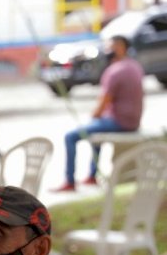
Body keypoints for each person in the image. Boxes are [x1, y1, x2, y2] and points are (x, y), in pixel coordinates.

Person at [53, 35, 144, 192]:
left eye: (110, 47)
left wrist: (94, 116)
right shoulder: (135, 66)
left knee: (71, 136)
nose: (107, 50)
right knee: (97, 128)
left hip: (119, 122)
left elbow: (103, 103)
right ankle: (92, 175)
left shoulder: (114, 71)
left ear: (120, 48)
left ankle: (69, 181)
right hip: (133, 121)